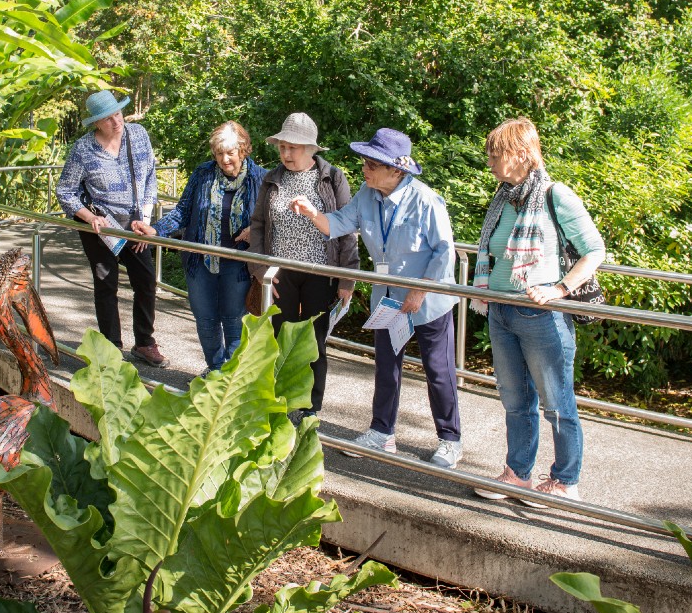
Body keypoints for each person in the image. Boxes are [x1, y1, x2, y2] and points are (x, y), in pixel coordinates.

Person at [289, 128, 464, 468]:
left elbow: (446, 253)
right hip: (388, 300)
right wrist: (312, 213)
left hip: (428, 301)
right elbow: (339, 223)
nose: (364, 170)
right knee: (386, 367)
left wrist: (419, 290)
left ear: (396, 171)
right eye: (365, 162)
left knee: (438, 371)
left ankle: (450, 439)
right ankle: (382, 433)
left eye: (371, 164)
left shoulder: (426, 201)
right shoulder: (367, 195)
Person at [470, 116, 604, 502]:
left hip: (541, 315)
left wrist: (560, 288)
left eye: (496, 155)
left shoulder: (554, 194)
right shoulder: (503, 197)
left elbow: (594, 250)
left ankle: (565, 480)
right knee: (515, 400)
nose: (491, 163)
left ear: (522, 155)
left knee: (557, 402)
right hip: (501, 310)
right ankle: (518, 474)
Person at [132, 122, 266, 375]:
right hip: (199, 260)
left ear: (243, 150)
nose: (225, 159)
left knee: (234, 321)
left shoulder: (260, 178)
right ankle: (215, 370)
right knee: (205, 319)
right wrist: (156, 230)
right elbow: (183, 211)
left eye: (230, 152)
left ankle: (231, 375)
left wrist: (255, 231)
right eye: (219, 153)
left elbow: (272, 220)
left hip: (238, 263)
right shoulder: (203, 174)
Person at [247, 112, 357, 419]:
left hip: (320, 273)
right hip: (280, 273)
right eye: (282, 147)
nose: (285, 153)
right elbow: (257, 226)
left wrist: (347, 279)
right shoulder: (272, 178)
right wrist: (258, 269)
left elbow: (346, 228)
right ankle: (279, 401)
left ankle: (311, 408)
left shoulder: (332, 177)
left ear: (310, 148)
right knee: (279, 339)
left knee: (313, 342)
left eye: (292, 147)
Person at [55, 89, 169, 368]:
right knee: (106, 285)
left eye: (117, 114)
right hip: (100, 225)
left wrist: (144, 220)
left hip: (134, 221)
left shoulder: (138, 134)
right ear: (96, 122)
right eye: (107, 119)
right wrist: (87, 216)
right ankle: (111, 347)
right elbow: (65, 191)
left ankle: (144, 342)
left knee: (146, 281)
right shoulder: (83, 149)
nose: (115, 122)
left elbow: (150, 178)